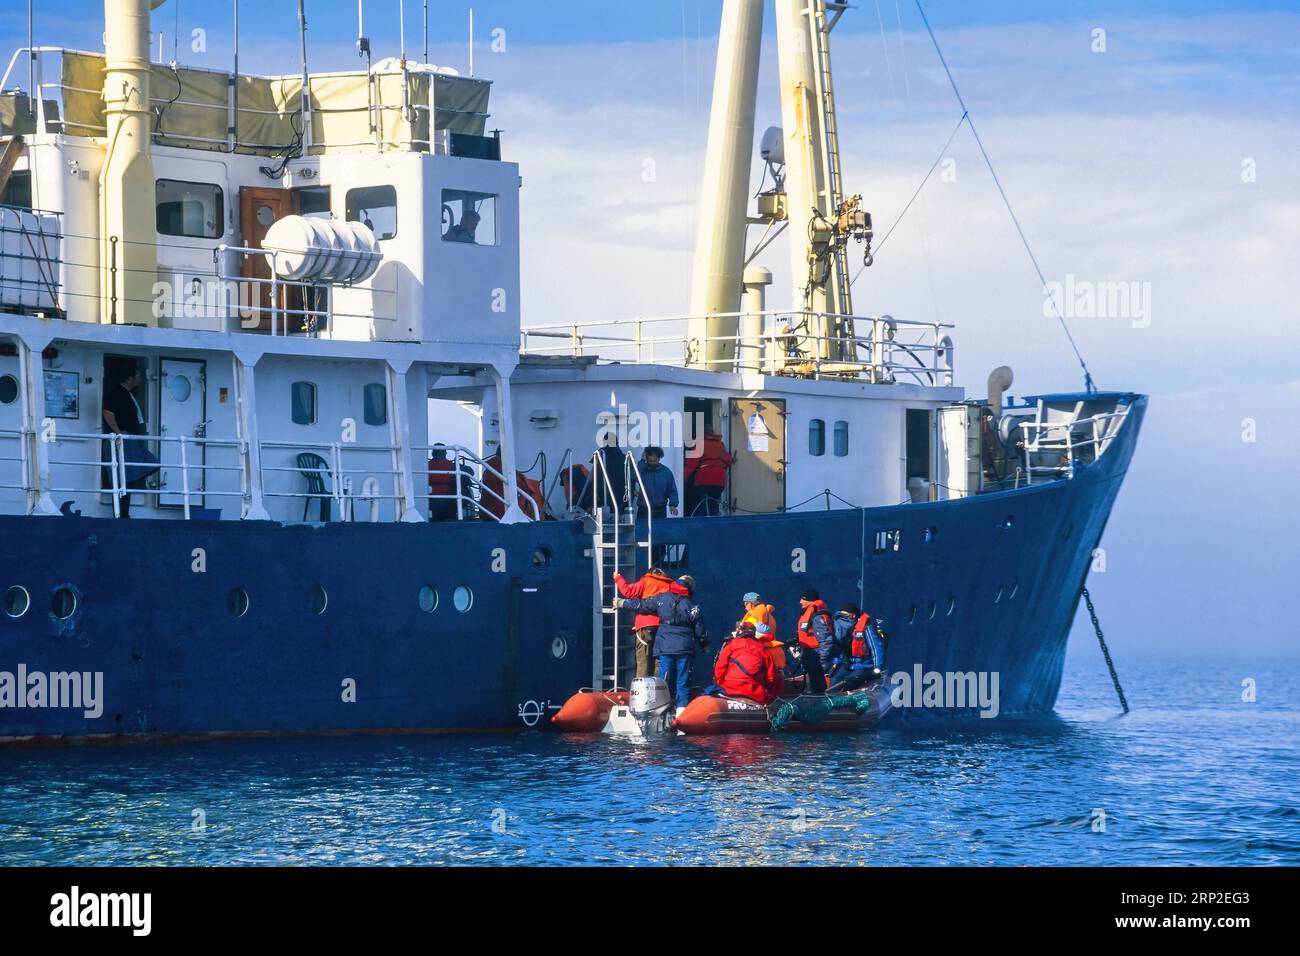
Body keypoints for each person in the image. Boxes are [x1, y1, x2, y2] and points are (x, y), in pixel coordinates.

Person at [616, 574, 708, 711]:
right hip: (684, 648)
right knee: (683, 679)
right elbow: (700, 629)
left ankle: (660, 707)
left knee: (663, 679)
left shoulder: (662, 598)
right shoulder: (692, 606)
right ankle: (681, 709)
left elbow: (642, 605)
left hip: (665, 646)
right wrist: (704, 645)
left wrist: (622, 603)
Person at [101, 360, 157, 519]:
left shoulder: (127, 394)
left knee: (131, 475)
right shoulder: (117, 393)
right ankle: (122, 514)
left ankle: (123, 513)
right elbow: (107, 412)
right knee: (122, 479)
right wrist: (118, 431)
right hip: (121, 443)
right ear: (130, 377)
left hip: (130, 443)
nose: (139, 379)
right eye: (138, 375)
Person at [613, 567, 674, 678]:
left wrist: (618, 578)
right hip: (662, 627)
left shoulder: (646, 581)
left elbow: (628, 592)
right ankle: (658, 687)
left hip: (645, 625)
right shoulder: (669, 586)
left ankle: (642, 690)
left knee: (643, 659)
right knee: (658, 659)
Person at [712, 621, 783, 705]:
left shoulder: (731, 645)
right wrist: (771, 694)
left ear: (740, 632)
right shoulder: (763, 650)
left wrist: (720, 684)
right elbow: (771, 678)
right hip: (754, 691)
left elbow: (720, 668)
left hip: (730, 687)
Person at [794, 588, 834, 694]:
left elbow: (825, 639)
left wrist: (822, 659)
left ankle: (817, 700)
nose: (800, 602)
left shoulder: (817, 616)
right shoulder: (809, 613)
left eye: (803, 599)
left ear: (810, 600)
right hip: (809, 654)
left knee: (817, 685)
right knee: (811, 681)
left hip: (816, 654)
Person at [684, 431, 734, 516]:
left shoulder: (700, 444)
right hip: (719, 480)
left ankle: (699, 526)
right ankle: (714, 525)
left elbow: (691, 464)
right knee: (713, 504)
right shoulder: (720, 444)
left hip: (704, 479)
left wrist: (683, 478)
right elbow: (728, 460)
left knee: (701, 503)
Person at [635, 446, 678, 518]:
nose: (652, 463)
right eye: (650, 461)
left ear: (659, 459)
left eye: (654, 461)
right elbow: (635, 476)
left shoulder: (666, 472)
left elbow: (672, 490)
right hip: (643, 510)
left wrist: (673, 505)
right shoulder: (642, 470)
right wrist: (642, 461)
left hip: (660, 510)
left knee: (660, 529)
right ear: (647, 459)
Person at [427, 444, 458, 521]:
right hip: (448, 501)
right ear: (445, 453)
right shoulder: (452, 465)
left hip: (430, 501)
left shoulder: (426, 466)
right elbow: (471, 472)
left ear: (433, 453)